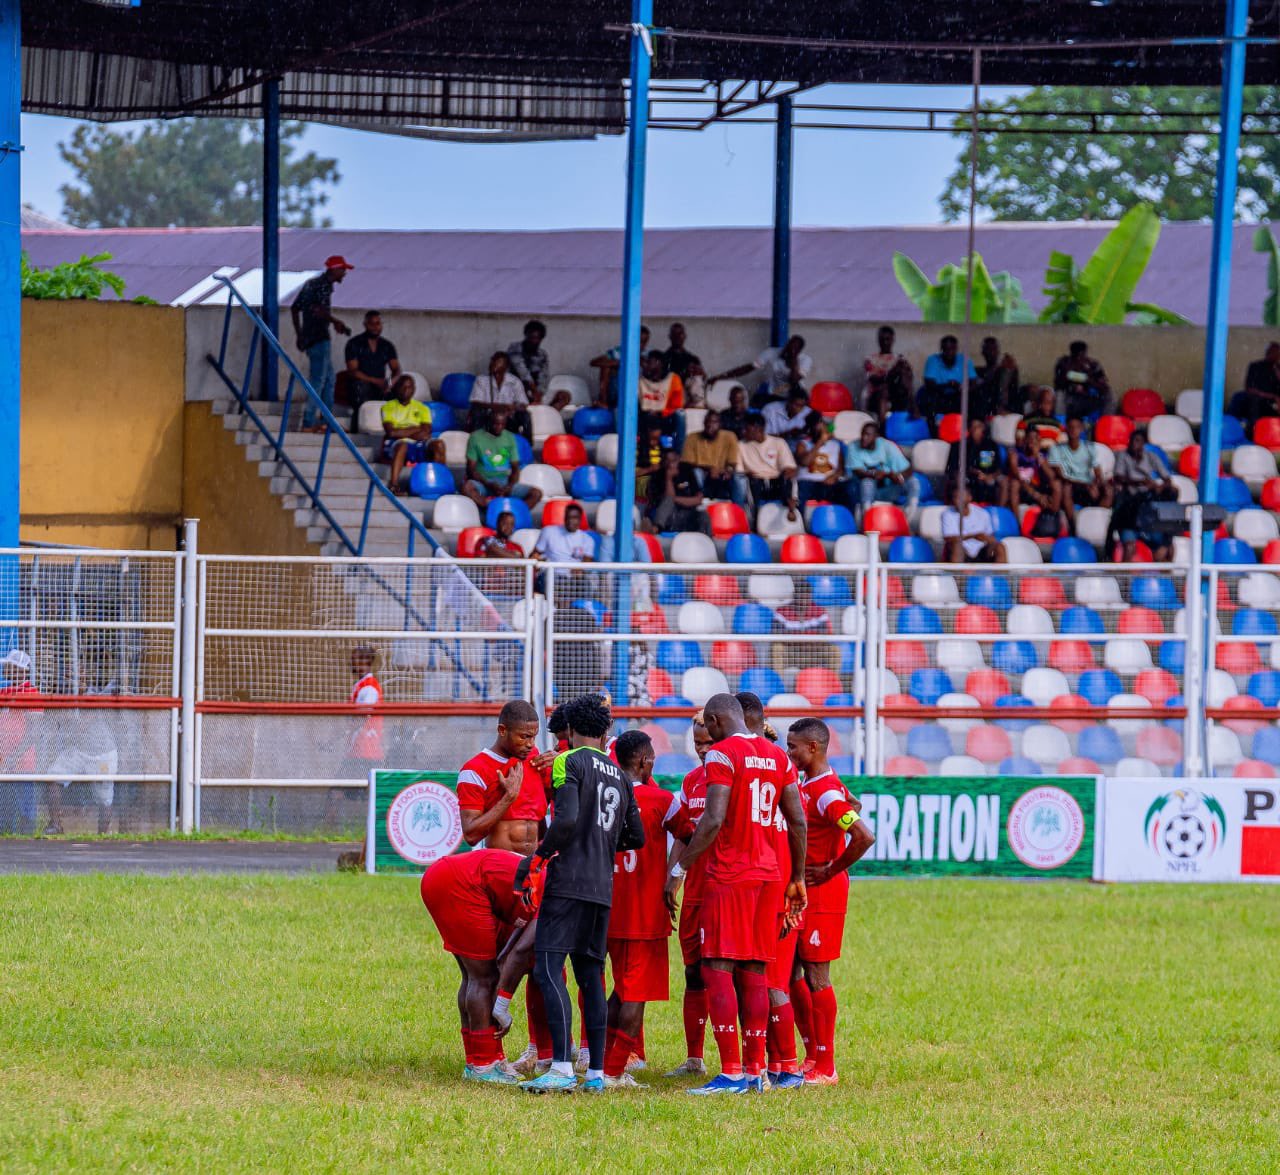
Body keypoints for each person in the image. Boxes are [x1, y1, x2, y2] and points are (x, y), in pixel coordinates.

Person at [665, 692, 807, 1095]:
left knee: (716, 967)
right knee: (756, 971)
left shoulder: (722, 754)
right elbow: (797, 821)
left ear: (713, 721)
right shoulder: (778, 757)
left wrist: (679, 868)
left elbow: (712, 820)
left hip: (730, 874)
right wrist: (797, 877)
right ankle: (755, 1070)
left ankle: (730, 1073)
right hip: (769, 876)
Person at [521, 694, 644, 1094]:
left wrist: (540, 857)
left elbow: (567, 818)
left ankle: (560, 1067)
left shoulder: (566, 761)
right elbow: (636, 836)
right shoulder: (621, 775)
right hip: (602, 887)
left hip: (569, 881)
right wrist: (602, 842)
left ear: (571, 730)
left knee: (547, 968)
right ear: (605, 733)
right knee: (591, 977)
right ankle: (595, 1074)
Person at [786, 718, 874, 1085]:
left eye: (793, 747)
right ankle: (811, 1055)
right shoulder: (812, 783)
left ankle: (827, 1065)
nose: (789, 752)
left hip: (824, 891)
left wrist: (830, 869)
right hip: (805, 889)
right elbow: (851, 803)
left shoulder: (824, 791)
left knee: (817, 975)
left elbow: (863, 835)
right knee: (792, 972)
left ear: (813, 747)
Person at [419, 847, 539, 1085]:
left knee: (474, 976)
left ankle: (480, 1058)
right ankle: (484, 1064)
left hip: (447, 875)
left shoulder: (557, 879)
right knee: (484, 978)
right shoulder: (562, 896)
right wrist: (502, 1006)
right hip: (460, 882)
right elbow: (520, 953)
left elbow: (518, 937)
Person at [735, 692, 803, 1089]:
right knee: (761, 981)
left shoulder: (755, 777)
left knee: (768, 983)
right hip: (774, 889)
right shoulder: (781, 774)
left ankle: (785, 1066)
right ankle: (773, 1064)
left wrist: (794, 890)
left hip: (770, 893)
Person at [603, 731, 672, 1088]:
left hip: (608, 910)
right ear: (645, 761)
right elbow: (691, 832)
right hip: (644, 914)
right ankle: (614, 1071)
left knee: (620, 989)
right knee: (635, 994)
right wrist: (674, 875)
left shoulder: (603, 797)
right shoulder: (662, 800)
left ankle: (601, 1063)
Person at [662, 712, 714, 1078]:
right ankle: (694, 1059)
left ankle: (747, 1062)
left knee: (728, 973)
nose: (703, 750)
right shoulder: (692, 781)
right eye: (697, 743)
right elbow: (683, 834)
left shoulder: (734, 775)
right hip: (695, 890)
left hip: (726, 889)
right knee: (693, 971)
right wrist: (673, 878)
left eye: (709, 742)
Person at [457, 699, 546, 855]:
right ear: (502, 730)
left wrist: (560, 760)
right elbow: (471, 835)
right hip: (499, 864)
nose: (530, 744)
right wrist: (508, 797)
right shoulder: (474, 770)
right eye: (524, 736)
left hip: (532, 863)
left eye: (533, 737)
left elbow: (538, 819)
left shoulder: (534, 759)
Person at [291, 255, 353, 432]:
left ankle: (326, 421)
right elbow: (317, 309)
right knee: (318, 381)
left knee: (329, 380)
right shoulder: (323, 285)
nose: (344, 273)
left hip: (311, 338)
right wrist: (335, 321)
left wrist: (300, 335)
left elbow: (295, 308)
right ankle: (309, 422)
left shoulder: (312, 284)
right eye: (343, 270)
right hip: (319, 338)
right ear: (335, 269)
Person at [462, 404, 542, 513]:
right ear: (489, 422)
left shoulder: (509, 438)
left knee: (536, 493)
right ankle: (491, 508)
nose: (499, 427)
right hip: (483, 482)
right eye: (495, 424)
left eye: (502, 424)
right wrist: (489, 484)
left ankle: (514, 512)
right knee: (467, 488)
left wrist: (509, 486)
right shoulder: (475, 438)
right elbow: (471, 470)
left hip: (504, 482)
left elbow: (515, 468)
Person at [1111, 428, 1175, 562]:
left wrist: (1158, 487)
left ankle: (1165, 575)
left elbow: (1167, 479)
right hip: (1130, 510)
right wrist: (1141, 482)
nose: (1134, 444)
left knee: (1168, 548)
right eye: (1132, 441)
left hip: (1147, 511)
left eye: (1138, 441)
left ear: (1143, 444)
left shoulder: (1151, 457)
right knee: (1129, 547)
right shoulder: (1123, 456)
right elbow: (1118, 477)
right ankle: (1124, 576)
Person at [845, 420, 919, 523]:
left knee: (913, 481)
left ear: (876, 437)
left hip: (887, 490)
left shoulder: (887, 446)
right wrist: (876, 474)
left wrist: (898, 477)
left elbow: (908, 469)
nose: (864, 437)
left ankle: (908, 517)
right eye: (863, 434)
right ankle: (868, 518)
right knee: (867, 481)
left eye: (868, 435)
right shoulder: (853, 446)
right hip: (861, 492)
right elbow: (859, 472)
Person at [1049, 415, 1113, 533]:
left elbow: (1097, 472)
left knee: (1108, 490)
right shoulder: (1056, 449)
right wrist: (1086, 485)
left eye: (1077, 427)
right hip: (1071, 485)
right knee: (1067, 489)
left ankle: (1096, 524)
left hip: (1087, 485)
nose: (1074, 430)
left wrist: (1096, 484)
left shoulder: (1089, 448)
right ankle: (1073, 528)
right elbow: (1061, 475)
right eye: (1071, 427)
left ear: (1082, 429)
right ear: (1066, 429)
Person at [0, 649, 38, 835]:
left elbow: (33, 732)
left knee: (25, 804)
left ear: (19, 670)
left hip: (22, 760)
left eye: (9, 666)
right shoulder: (5, 691)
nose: (5, 670)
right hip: (4, 759)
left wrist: (15, 756)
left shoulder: (31, 693)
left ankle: (27, 836)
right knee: (5, 803)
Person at [712, 335, 812, 406]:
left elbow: (794, 380)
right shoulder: (772, 352)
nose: (790, 350)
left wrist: (793, 363)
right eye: (789, 346)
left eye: (794, 349)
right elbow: (748, 368)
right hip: (775, 393)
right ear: (787, 344)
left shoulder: (805, 360)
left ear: (799, 351)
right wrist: (720, 377)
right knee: (755, 403)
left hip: (795, 396)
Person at [343, 310, 401, 427]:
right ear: (365, 325)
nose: (375, 327)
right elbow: (353, 371)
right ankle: (358, 427)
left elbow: (396, 370)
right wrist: (375, 381)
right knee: (359, 387)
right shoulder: (354, 343)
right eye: (371, 324)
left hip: (381, 386)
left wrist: (389, 384)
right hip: (360, 386)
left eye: (378, 323)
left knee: (402, 388)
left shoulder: (387, 345)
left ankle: (394, 427)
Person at [736, 412, 799, 521]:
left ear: (759, 429)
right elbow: (739, 470)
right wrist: (749, 473)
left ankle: (791, 509)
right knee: (750, 484)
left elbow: (788, 465)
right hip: (755, 479)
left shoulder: (778, 442)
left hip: (776, 479)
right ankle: (755, 520)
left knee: (789, 478)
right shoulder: (741, 445)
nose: (744, 432)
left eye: (747, 429)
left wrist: (787, 472)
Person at [378, 374, 433, 494]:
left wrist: (402, 432)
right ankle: (393, 485)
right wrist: (416, 428)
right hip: (395, 444)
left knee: (438, 445)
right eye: (403, 386)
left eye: (409, 387)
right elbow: (391, 432)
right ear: (397, 388)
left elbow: (426, 431)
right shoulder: (388, 407)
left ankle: (436, 483)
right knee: (403, 445)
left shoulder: (423, 408)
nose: (406, 390)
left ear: (414, 389)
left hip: (418, 443)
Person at [681, 410, 743, 504]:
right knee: (696, 472)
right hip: (702, 473)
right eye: (708, 422)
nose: (710, 425)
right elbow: (688, 463)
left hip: (722, 474)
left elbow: (732, 462)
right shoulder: (692, 437)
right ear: (704, 423)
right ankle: (699, 502)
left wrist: (725, 471)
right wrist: (710, 469)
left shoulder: (729, 436)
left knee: (739, 479)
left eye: (714, 422)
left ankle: (738, 508)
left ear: (720, 424)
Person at [794, 411, 851, 511]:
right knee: (802, 490)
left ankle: (844, 517)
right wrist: (820, 443)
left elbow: (841, 469)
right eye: (818, 428)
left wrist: (834, 476)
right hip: (808, 482)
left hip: (827, 483)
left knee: (847, 490)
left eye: (823, 426)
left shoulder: (835, 445)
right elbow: (804, 462)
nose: (822, 430)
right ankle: (800, 519)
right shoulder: (803, 444)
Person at [644, 449, 710, 535]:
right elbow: (667, 501)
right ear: (663, 462)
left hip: (687, 513)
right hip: (667, 516)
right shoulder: (658, 476)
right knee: (668, 502)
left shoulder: (687, 471)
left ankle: (706, 539)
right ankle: (655, 529)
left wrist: (675, 499)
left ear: (679, 459)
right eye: (667, 461)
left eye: (673, 461)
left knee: (703, 515)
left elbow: (698, 500)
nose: (670, 464)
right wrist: (669, 478)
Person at [507, 320, 569, 410]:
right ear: (526, 335)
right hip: (516, 390)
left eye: (537, 338)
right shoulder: (515, 348)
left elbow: (544, 377)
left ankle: (547, 414)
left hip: (535, 392)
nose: (534, 341)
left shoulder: (542, 354)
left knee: (564, 396)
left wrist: (539, 393)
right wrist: (534, 391)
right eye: (532, 337)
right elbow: (522, 372)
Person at [470, 351, 531, 440]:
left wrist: (513, 408)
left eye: (498, 361)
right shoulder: (481, 380)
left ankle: (527, 444)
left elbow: (523, 404)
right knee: (477, 412)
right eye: (492, 361)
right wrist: (500, 407)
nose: (493, 363)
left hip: (507, 418)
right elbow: (476, 402)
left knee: (525, 415)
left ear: (506, 367)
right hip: (488, 417)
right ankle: (477, 441)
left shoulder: (514, 382)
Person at [946, 417, 1006, 507]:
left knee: (1003, 482)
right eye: (973, 427)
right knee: (960, 478)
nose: (976, 429)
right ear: (969, 429)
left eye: (979, 426)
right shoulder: (959, 445)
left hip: (987, 477)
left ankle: (999, 510)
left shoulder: (991, 445)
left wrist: (989, 476)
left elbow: (997, 468)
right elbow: (954, 468)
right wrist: (975, 472)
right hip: (968, 476)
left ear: (984, 428)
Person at [861, 325, 914, 423]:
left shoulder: (899, 358)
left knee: (903, 372)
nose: (885, 342)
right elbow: (874, 379)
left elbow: (908, 377)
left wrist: (898, 372)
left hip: (896, 392)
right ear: (878, 340)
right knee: (884, 390)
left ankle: (910, 408)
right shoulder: (870, 359)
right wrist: (893, 372)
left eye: (888, 339)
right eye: (882, 339)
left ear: (893, 340)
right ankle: (883, 426)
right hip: (876, 394)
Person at [1007, 424, 1062, 518]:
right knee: (1015, 483)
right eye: (1030, 438)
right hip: (1023, 489)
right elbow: (1017, 476)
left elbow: (1051, 476)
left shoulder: (1043, 455)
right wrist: (1036, 495)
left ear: (1039, 440)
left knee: (1057, 484)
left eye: (1035, 438)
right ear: (1025, 440)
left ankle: (1053, 517)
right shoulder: (1015, 453)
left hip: (1038, 487)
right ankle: (1016, 523)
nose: (1032, 441)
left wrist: (1037, 455)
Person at [941, 486, 1007, 564]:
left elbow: (991, 536)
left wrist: (985, 538)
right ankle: (957, 572)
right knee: (956, 547)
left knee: (999, 547)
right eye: (955, 497)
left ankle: (1001, 572)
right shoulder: (947, 514)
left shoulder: (982, 513)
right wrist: (973, 536)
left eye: (960, 497)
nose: (957, 500)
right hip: (963, 552)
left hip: (981, 551)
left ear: (969, 498)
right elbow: (949, 539)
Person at [919, 334, 977, 422]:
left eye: (952, 349)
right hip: (939, 395)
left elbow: (973, 383)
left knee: (973, 396)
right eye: (946, 349)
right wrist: (948, 385)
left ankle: (969, 424)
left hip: (959, 395)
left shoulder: (965, 360)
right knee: (926, 395)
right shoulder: (933, 360)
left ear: (956, 349)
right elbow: (929, 384)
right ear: (941, 350)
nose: (949, 352)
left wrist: (961, 388)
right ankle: (933, 426)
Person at [590, 325, 650, 408]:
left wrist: (642, 363)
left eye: (644, 342)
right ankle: (604, 402)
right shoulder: (618, 352)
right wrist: (619, 364)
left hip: (637, 391)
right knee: (606, 368)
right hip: (617, 388)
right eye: (639, 341)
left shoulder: (647, 355)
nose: (641, 345)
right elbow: (593, 362)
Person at [638, 350, 686, 450]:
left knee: (680, 414)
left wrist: (660, 412)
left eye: (648, 362)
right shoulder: (639, 379)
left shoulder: (673, 379)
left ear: (658, 363)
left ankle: (678, 453)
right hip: (644, 417)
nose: (644, 365)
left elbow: (677, 405)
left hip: (664, 418)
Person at [1054, 340, 1114, 418]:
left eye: (1081, 355)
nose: (1078, 359)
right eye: (1076, 356)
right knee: (1059, 394)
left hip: (1087, 399)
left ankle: (1106, 421)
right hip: (1070, 401)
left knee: (1109, 395)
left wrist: (1088, 382)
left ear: (1085, 354)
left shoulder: (1093, 365)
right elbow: (1057, 384)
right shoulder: (1064, 363)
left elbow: (1104, 387)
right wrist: (1072, 385)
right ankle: (1060, 422)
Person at [1230, 342, 1280, 432]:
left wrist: (1276, 370)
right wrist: (1271, 396)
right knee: (1241, 398)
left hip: (1273, 403)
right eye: (1272, 352)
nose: (1274, 355)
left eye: (1277, 353)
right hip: (1258, 398)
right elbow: (1249, 388)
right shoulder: (1256, 366)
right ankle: (1248, 428)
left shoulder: (1277, 368)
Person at [973, 335, 1020, 419]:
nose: (991, 352)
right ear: (983, 352)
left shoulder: (1006, 370)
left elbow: (1013, 392)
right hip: (986, 410)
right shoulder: (978, 371)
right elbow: (982, 383)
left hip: (1005, 410)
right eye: (988, 349)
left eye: (993, 349)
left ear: (998, 351)